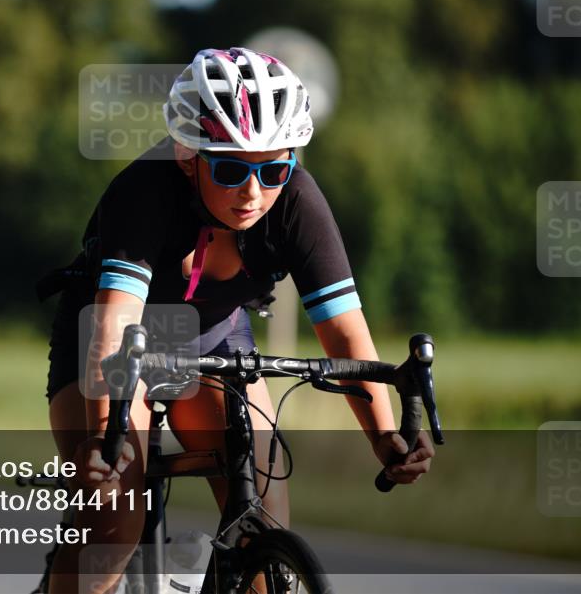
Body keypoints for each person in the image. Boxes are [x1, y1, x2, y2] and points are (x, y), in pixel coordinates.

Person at [39, 47, 435, 593]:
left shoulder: (297, 203)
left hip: (214, 338)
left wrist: (384, 436)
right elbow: (114, 325)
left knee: (264, 517)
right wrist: (105, 442)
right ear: (187, 155)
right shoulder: (143, 191)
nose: (253, 192)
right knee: (115, 515)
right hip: (111, 338)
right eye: (229, 169)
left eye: (274, 168)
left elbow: (345, 333)